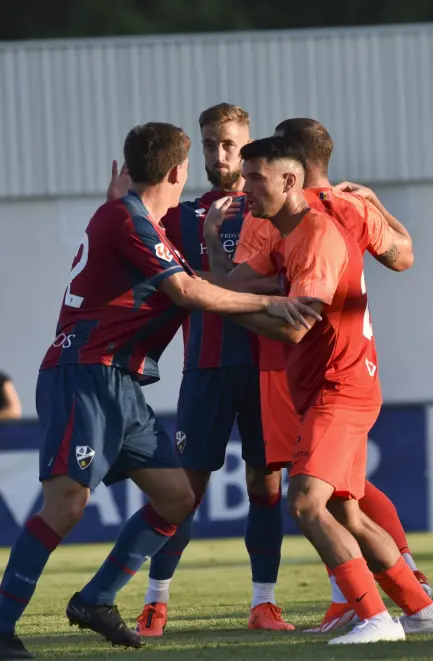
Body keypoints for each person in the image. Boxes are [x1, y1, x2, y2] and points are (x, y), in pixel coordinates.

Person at [0, 123, 319, 660]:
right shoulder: (128, 219)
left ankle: (96, 600)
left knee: (177, 496)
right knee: (67, 504)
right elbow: (188, 290)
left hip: (119, 382)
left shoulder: (135, 220)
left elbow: (194, 279)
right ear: (178, 171)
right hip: (85, 371)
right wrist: (271, 303)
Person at [235, 136, 433, 645]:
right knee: (344, 511)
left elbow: (294, 328)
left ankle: (376, 618)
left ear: (290, 179)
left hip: (341, 387)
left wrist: (226, 305)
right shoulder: (289, 233)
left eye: (254, 177)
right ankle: (422, 610)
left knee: (306, 503)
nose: (245, 187)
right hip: (333, 386)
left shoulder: (314, 236)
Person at [101, 104, 292, 636]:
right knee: (184, 489)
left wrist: (214, 279)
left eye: (229, 144)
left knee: (265, 484)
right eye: (210, 144)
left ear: (249, 144)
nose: (219, 154)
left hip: (265, 367)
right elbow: (160, 271)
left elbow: (287, 283)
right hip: (205, 367)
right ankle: (156, 599)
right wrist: (116, 202)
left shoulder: (274, 212)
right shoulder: (182, 214)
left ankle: (264, 602)